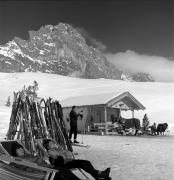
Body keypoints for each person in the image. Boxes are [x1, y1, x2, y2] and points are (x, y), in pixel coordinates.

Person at [43, 139, 111, 180]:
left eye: (52, 142)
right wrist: (62, 152)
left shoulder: (57, 149)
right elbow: (62, 156)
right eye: (51, 143)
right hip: (64, 165)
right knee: (82, 164)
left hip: (69, 161)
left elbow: (68, 153)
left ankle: (98, 176)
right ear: (48, 146)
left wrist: (61, 151)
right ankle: (99, 175)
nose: (53, 143)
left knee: (87, 162)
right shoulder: (50, 151)